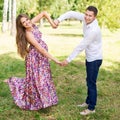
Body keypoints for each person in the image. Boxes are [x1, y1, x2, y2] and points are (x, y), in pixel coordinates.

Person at [4, 11, 61, 110]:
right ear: (21, 25)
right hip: (35, 58)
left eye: (26, 20)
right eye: (23, 22)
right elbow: (40, 49)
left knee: (44, 77)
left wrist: (53, 24)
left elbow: (44, 13)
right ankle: (38, 101)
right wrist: (55, 59)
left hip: (41, 57)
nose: (27, 22)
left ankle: (47, 100)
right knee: (38, 80)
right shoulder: (28, 33)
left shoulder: (32, 23)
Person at [54, 6, 102, 115]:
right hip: (90, 57)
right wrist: (58, 19)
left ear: (95, 17)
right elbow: (71, 13)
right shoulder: (85, 18)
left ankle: (91, 108)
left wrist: (68, 59)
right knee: (89, 80)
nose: (87, 17)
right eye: (86, 14)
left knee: (91, 83)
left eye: (90, 16)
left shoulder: (94, 30)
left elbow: (81, 46)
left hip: (95, 59)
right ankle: (88, 101)